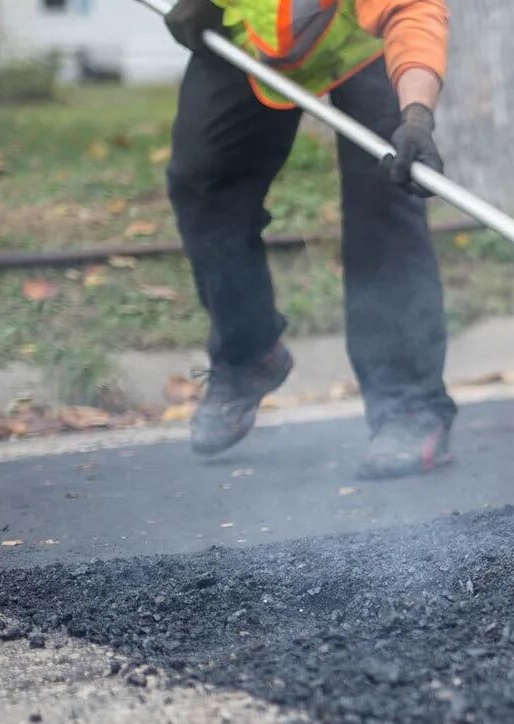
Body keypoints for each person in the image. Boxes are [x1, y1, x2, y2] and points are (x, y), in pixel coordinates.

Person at [163, 0, 456, 478]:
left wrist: (417, 115)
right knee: (203, 183)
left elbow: (413, 9)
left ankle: (409, 406)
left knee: (385, 194)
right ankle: (247, 353)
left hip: (362, 42)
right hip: (255, 39)